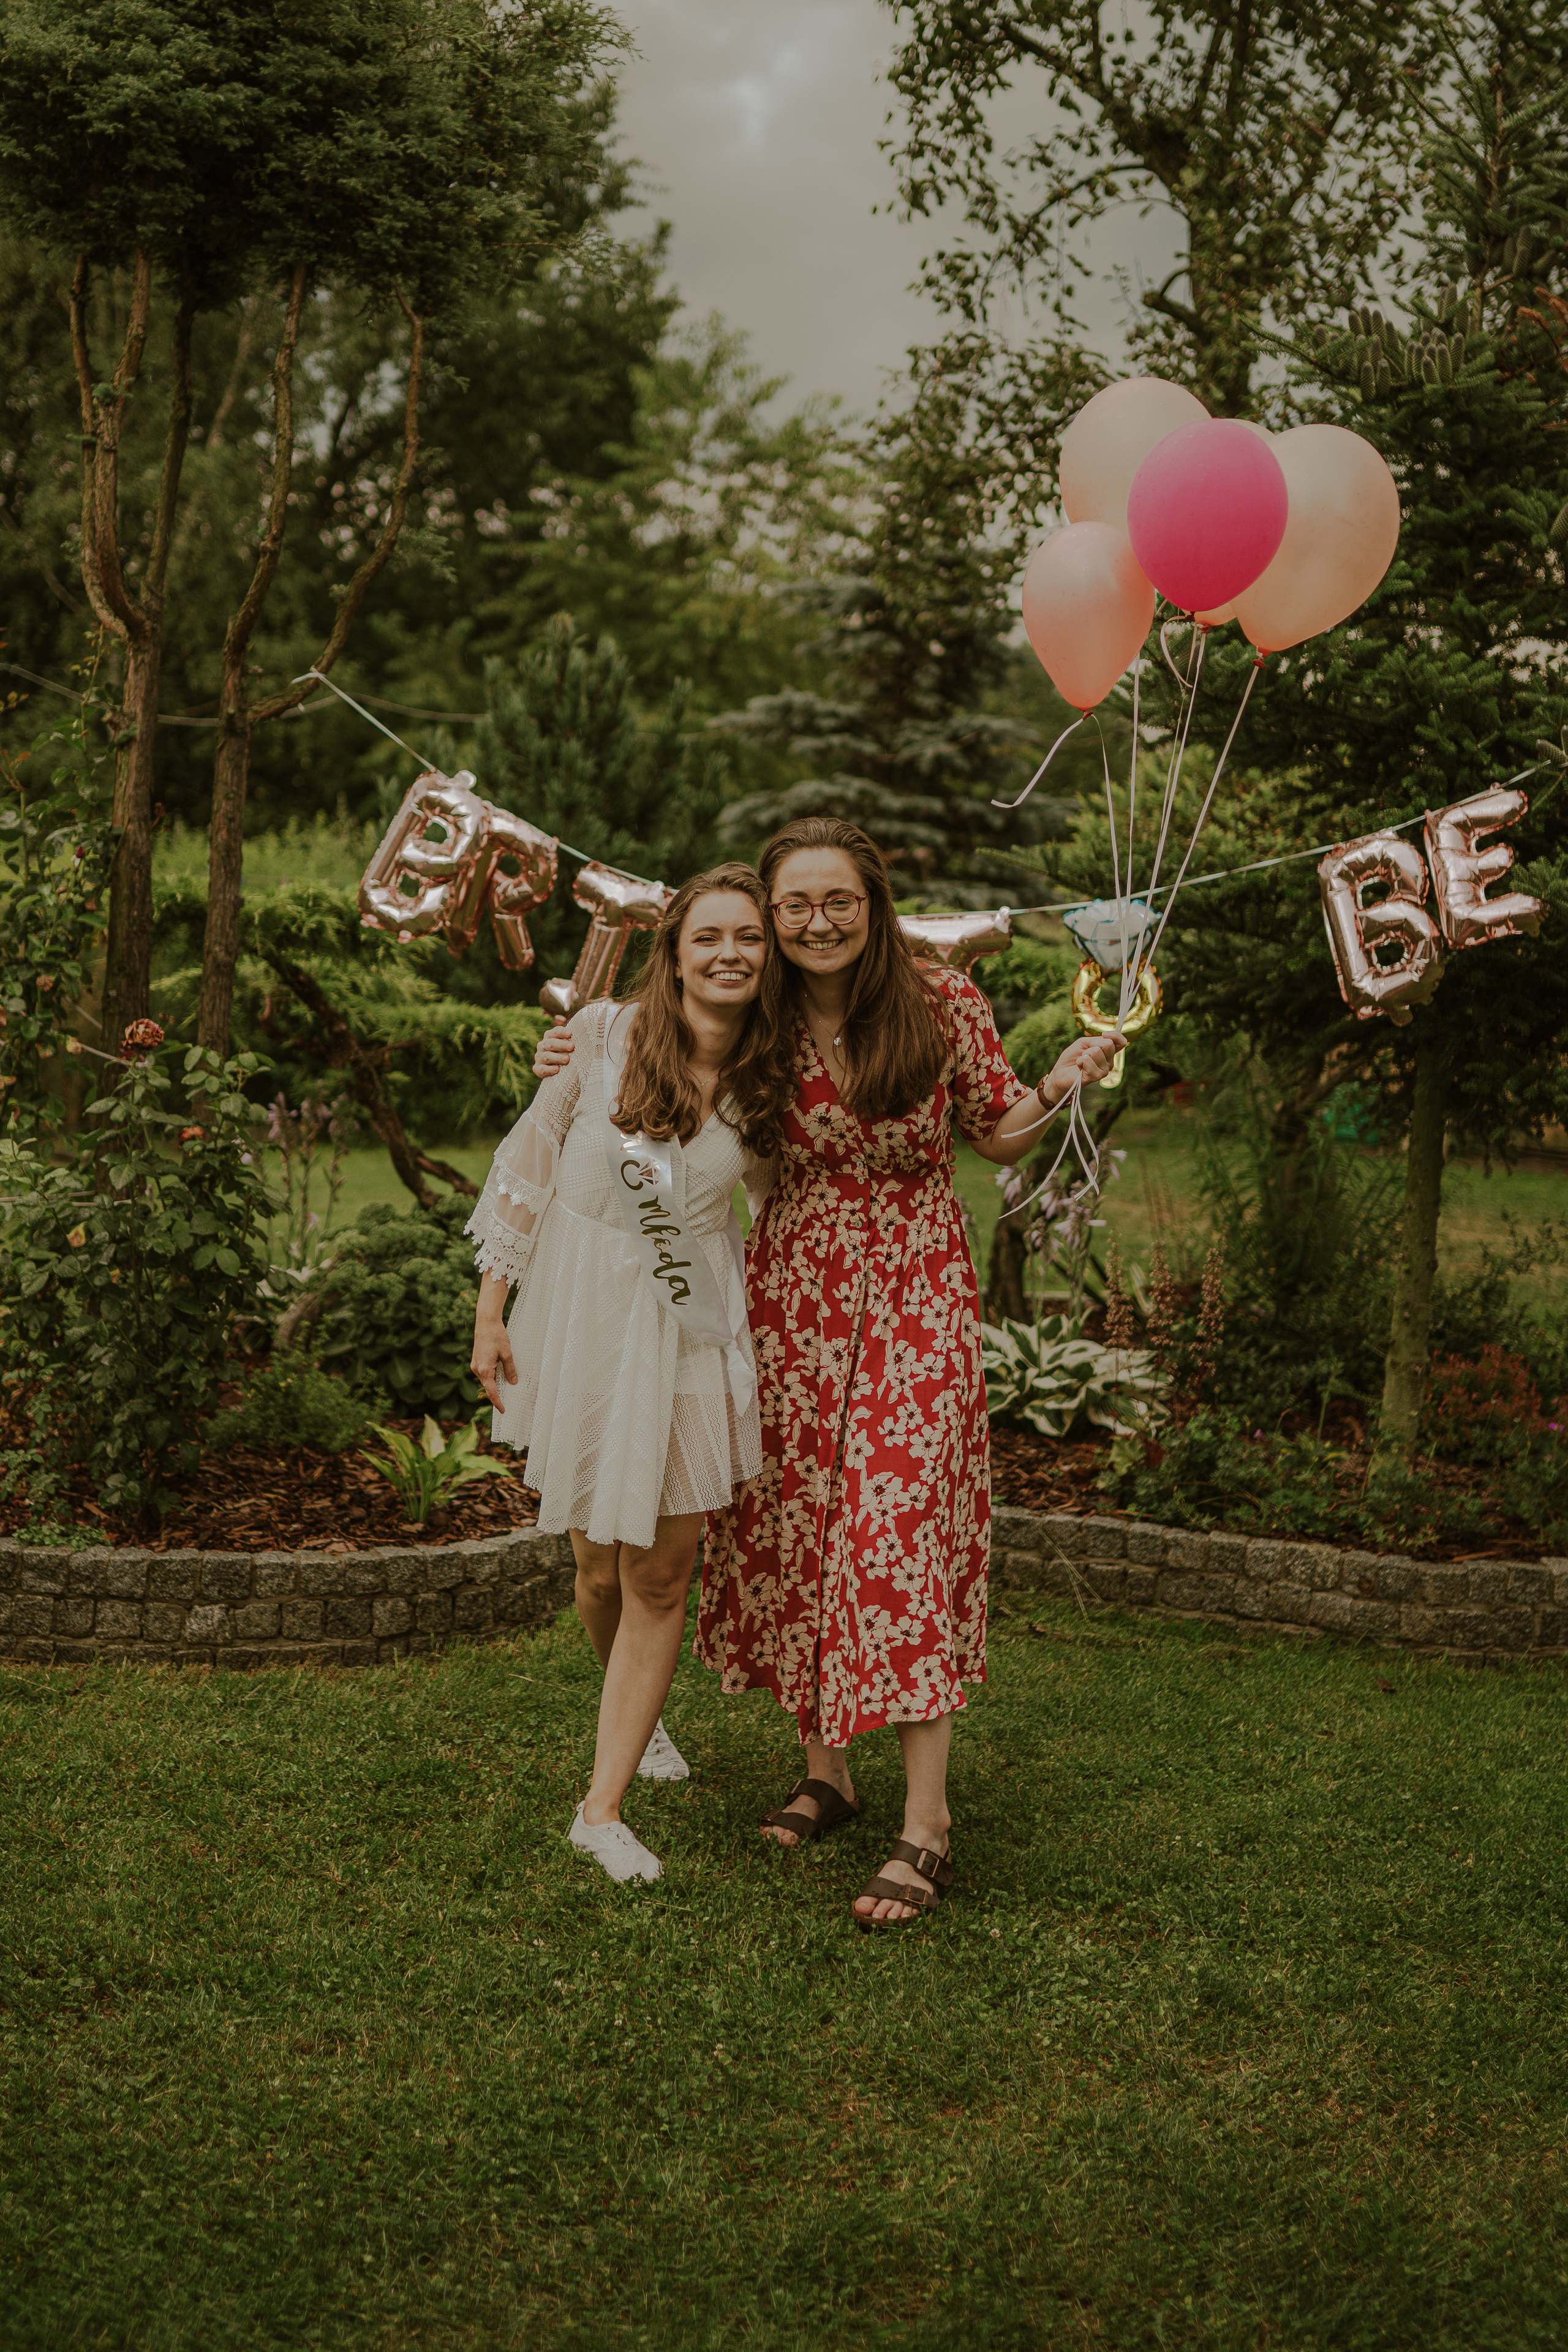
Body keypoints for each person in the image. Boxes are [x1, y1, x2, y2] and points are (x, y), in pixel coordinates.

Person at [534, 818, 1122, 1926]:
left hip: (916, 1286)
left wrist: (1058, 1083)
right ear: (772, 917)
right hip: (789, 1290)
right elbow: (653, 1051)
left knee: (897, 1530)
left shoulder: (940, 1001)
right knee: (803, 1524)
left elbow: (994, 1133)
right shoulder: (757, 1012)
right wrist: (563, 1055)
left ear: (874, 902)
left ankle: (927, 1824)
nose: (816, 923)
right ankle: (829, 1775)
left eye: (838, 901)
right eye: (795, 906)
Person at [468, 864, 785, 1885]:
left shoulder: (774, 1078)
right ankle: (636, 1720)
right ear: (676, 952)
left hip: (689, 1329)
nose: (730, 954)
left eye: (749, 937)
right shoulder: (602, 1034)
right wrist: (491, 1307)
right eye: (709, 937)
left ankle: (598, 1811)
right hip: (586, 1313)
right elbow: (531, 1156)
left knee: (659, 1572)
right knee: (599, 1568)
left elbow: (775, 1205)